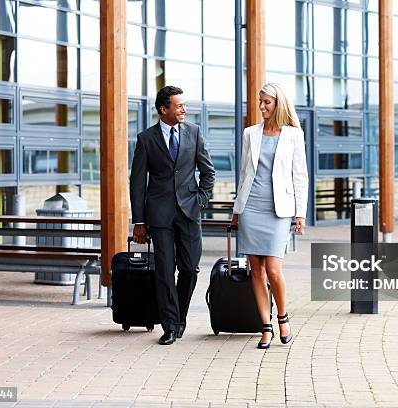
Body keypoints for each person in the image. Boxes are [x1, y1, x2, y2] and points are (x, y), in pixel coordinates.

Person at [130, 85, 215, 345]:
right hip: (160, 215)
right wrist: (139, 221)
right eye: (179, 106)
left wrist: (200, 199)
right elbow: (137, 182)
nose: (184, 110)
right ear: (163, 109)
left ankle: (179, 317)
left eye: (184, 105)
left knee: (189, 269)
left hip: (189, 213)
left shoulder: (194, 132)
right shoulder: (146, 139)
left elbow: (208, 171)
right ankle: (169, 325)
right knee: (165, 272)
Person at [231, 83, 308, 349]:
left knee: (274, 270)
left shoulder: (294, 135)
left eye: (266, 102)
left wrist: (300, 213)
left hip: (279, 210)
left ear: (278, 103)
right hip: (251, 207)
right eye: (260, 102)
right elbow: (243, 174)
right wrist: (237, 210)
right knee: (256, 270)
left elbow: (300, 176)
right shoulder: (250, 133)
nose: (262, 107)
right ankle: (265, 327)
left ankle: (283, 318)